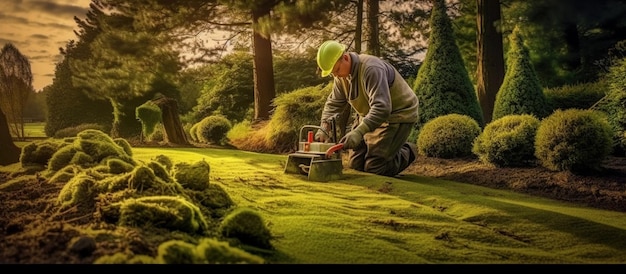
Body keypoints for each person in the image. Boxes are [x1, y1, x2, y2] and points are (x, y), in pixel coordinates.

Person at [314, 40, 419, 177]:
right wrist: (324, 127)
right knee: (355, 165)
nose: (336, 76)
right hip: (369, 115)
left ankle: (408, 150)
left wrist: (359, 132)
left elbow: (382, 108)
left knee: (375, 168)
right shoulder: (340, 76)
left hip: (396, 115)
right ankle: (386, 150)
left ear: (345, 57)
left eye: (337, 70)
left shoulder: (371, 69)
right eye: (333, 73)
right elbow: (333, 103)